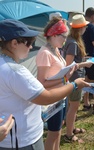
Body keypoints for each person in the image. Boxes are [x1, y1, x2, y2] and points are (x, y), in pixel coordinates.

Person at [0, 19, 90, 150]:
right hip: (23, 140)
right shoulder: (15, 71)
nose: (31, 47)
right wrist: (74, 85)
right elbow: (45, 97)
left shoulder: (5, 65)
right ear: (14, 43)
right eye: (29, 43)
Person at [36, 17, 73, 150]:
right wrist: (64, 78)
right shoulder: (45, 53)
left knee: (58, 130)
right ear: (54, 35)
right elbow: (41, 82)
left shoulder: (56, 50)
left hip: (61, 95)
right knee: (53, 133)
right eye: (64, 36)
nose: (65, 39)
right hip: (52, 98)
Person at [63, 14, 93, 143]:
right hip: (75, 79)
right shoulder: (73, 43)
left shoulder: (71, 40)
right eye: (84, 26)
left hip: (75, 78)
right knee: (74, 106)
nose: (86, 28)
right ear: (80, 28)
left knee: (73, 106)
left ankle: (72, 128)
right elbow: (69, 65)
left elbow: (74, 61)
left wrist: (84, 60)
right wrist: (84, 64)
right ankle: (69, 134)